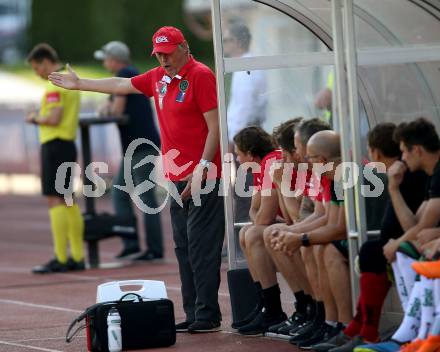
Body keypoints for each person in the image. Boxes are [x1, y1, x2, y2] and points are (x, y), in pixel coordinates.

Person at [49, 26, 225, 334]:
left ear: (184, 47)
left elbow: (216, 127)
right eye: (158, 53)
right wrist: (81, 84)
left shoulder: (200, 75)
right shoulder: (158, 77)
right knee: (183, 247)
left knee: (201, 247)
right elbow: (121, 83)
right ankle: (194, 311)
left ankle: (208, 314)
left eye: (168, 52)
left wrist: (202, 167)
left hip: (204, 177)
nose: (163, 58)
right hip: (175, 177)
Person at [313, 123, 428, 352]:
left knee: (372, 252)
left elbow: (413, 224)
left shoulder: (407, 176)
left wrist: (394, 190)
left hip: (409, 247)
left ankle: (368, 332)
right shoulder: (395, 173)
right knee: (370, 251)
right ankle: (358, 327)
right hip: (395, 244)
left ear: (375, 152)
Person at [355, 117, 440, 352]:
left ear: (417, 150)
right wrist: (393, 187)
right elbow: (420, 223)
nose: (402, 157)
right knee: (402, 249)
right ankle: (412, 331)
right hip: (429, 242)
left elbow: (420, 227)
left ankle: (416, 333)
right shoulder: (432, 174)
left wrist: (400, 242)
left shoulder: (432, 173)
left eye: (404, 151)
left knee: (403, 250)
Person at [94, 41, 164, 261]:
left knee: (143, 196)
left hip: (140, 145)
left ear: (114, 59)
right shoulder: (129, 74)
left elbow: (114, 109)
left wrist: (107, 108)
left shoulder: (124, 75)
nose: (104, 62)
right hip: (140, 144)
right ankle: (134, 243)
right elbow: (107, 106)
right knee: (123, 192)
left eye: (105, 58)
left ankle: (151, 248)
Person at [25, 43, 85, 273]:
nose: (37, 73)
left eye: (36, 68)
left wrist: (34, 118)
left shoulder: (55, 86)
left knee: (54, 199)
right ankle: (78, 257)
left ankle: (61, 257)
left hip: (54, 145)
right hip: (68, 145)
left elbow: (53, 118)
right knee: (68, 199)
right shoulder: (69, 83)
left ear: (45, 62)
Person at [223, 20, 267, 142]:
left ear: (236, 42)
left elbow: (244, 109)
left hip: (244, 139)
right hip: (247, 135)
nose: (223, 44)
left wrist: (234, 141)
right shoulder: (246, 65)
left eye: (226, 40)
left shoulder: (245, 69)